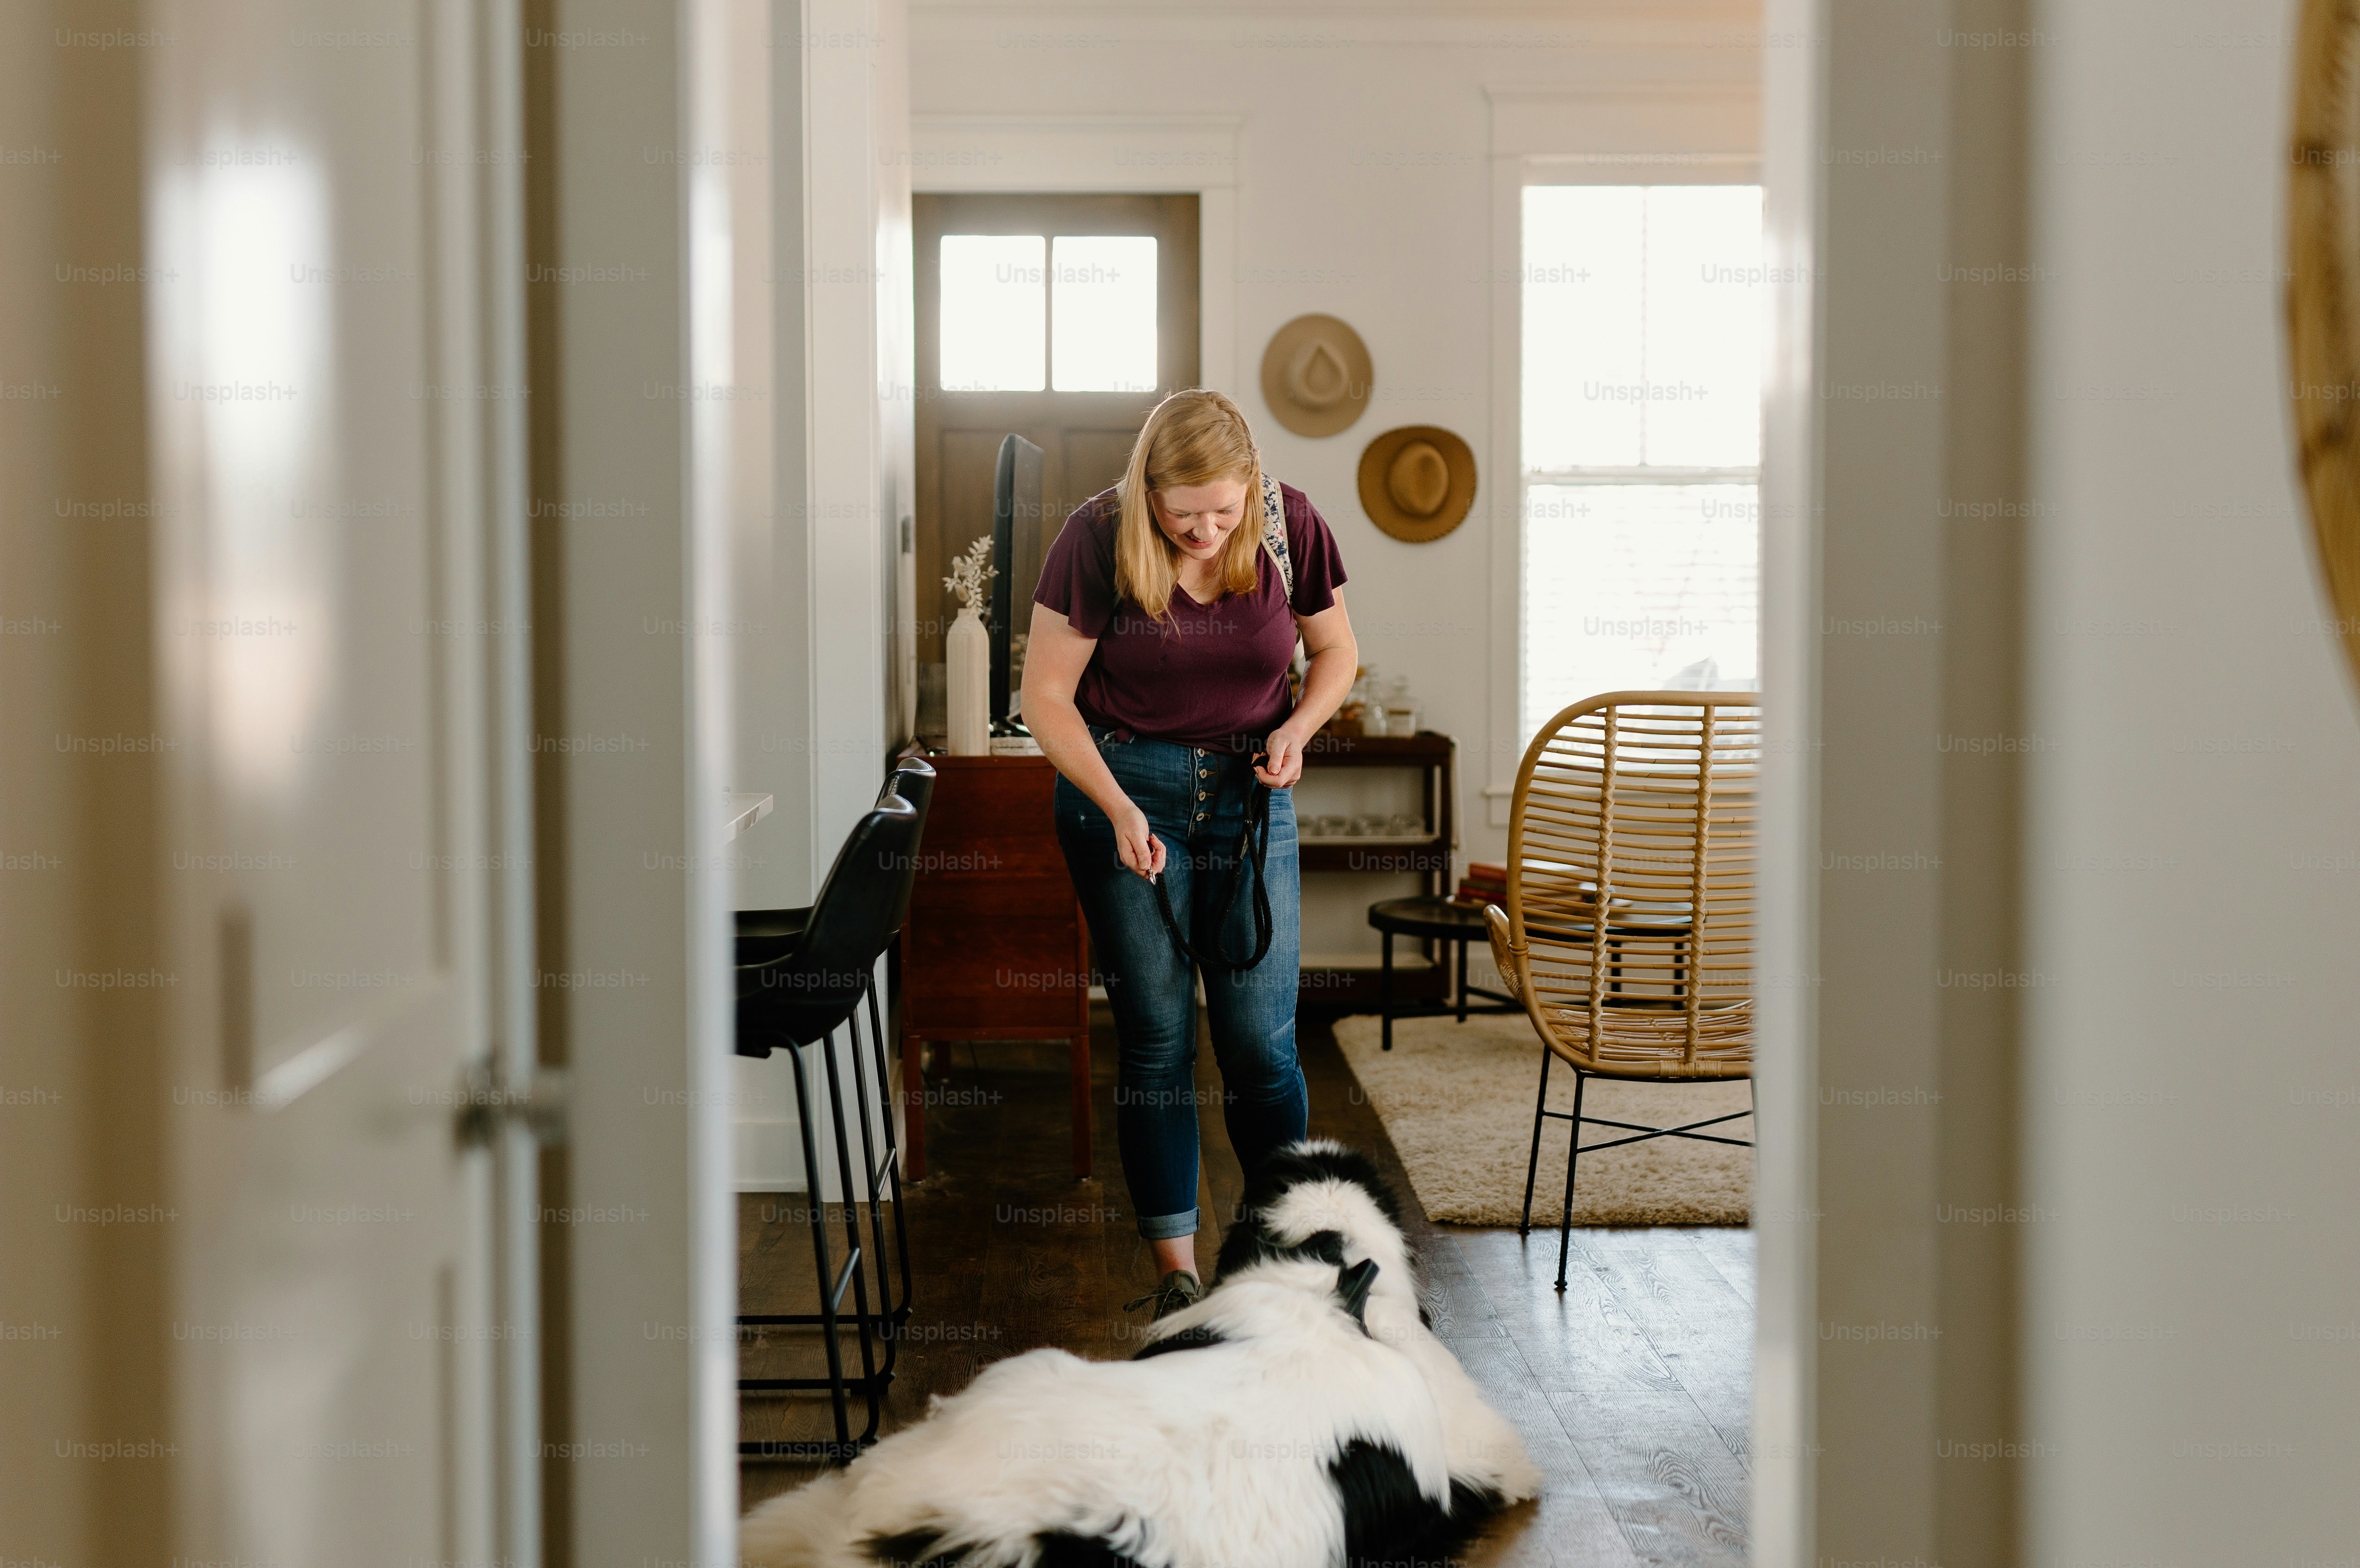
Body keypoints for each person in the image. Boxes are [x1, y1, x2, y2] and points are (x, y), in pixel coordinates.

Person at [1021, 387, 1359, 1320]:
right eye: (1184, 515)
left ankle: (1280, 1253)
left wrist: (1299, 726)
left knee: (1261, 1043)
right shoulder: (1095, 536)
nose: (1207, 530)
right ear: (1148, 494)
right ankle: (1176, 1268)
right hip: (1123, 790)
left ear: (1252, 485)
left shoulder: (1292, 526)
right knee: (1159, 1040)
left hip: (1254, 795)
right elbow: (1046, 695)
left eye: (1224, 509)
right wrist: (1120, 806)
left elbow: (1336, 653)